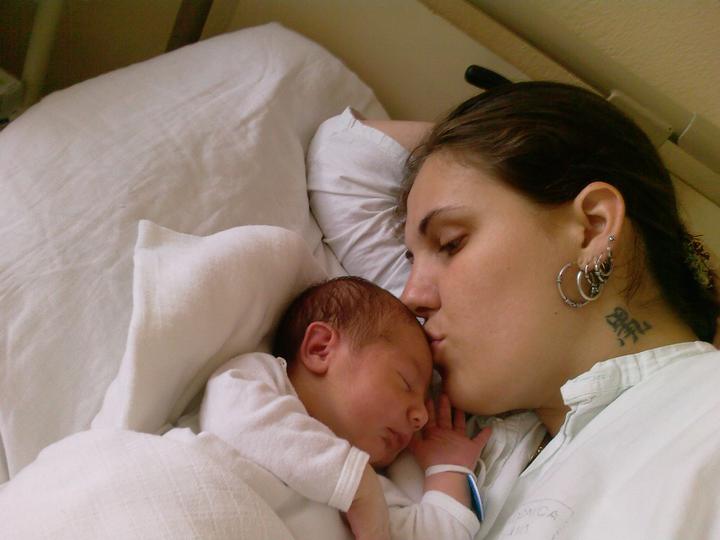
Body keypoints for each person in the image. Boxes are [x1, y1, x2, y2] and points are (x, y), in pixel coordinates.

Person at [377, 81, 720, 538]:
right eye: (411, 260)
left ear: (592, 228)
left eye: (450, 242)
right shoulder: (482, 446)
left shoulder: (705, 420)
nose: (410, 297)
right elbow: (338, 151)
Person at [199, 276, 492, 540]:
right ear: (320, 349)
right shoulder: (260, 381)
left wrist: (447, 468)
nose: (422, 417)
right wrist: (356, 484)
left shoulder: (377, 492)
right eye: (405, 382)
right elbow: (234, 418)